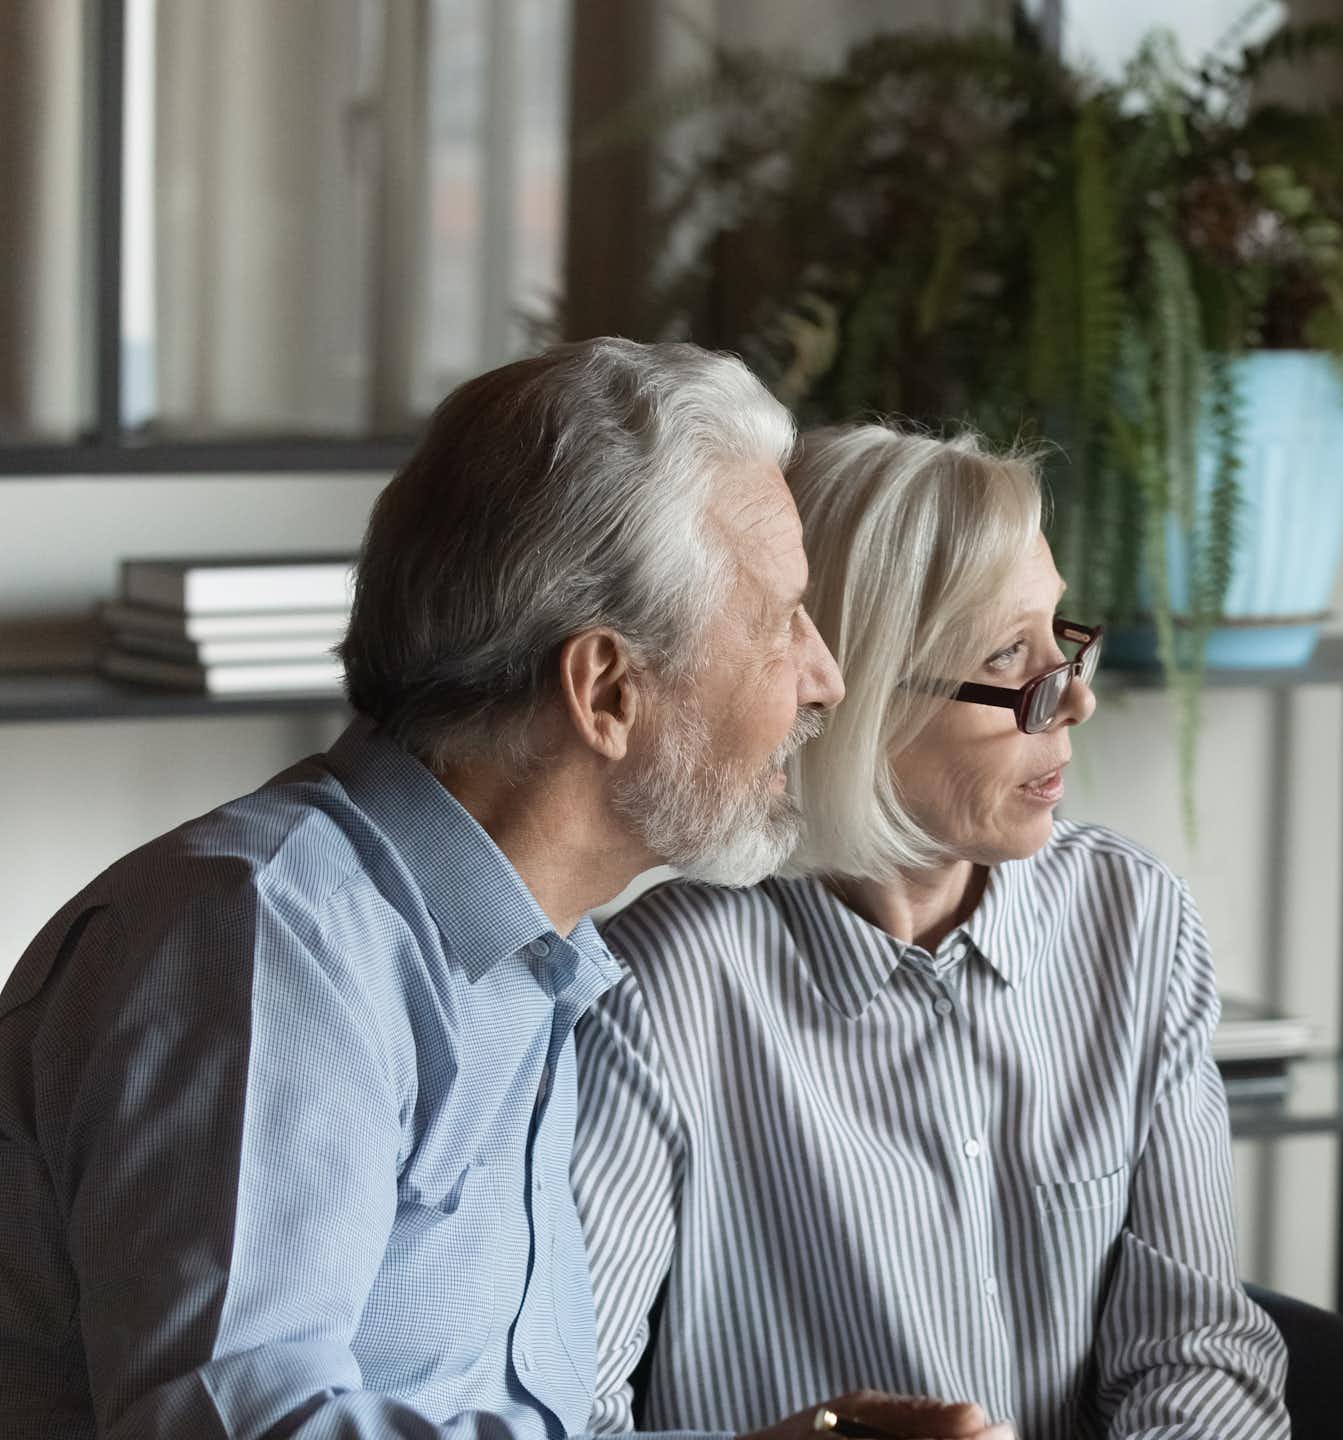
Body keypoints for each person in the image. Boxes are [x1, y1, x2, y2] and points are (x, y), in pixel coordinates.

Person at [0, 340, 1005, 1440]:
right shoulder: (264, 940)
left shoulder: (528, 966)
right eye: (781, 621)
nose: (826, 676)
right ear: (606, 689)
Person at [574, 425, 1290, 1439]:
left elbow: (1199, 1353)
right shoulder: (655, 994)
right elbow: (573, 1417)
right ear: (852, 693)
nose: (1075, 697)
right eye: (1010, 655)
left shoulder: (1133, 924)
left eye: (1059, 635)